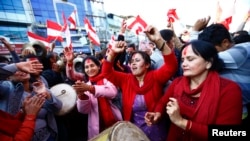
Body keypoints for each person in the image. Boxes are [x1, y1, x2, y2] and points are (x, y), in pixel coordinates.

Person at [145, 40, 242, 141]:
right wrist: (158, 114)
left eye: (190, 59)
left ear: (208, 63)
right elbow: (162, 102)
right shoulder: (178, 83)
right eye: (183, 60)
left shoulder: (229, 90)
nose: (184, 64)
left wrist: (182, 122)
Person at [101, 25, 178, 141]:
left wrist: (159, 41)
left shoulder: (156, 77)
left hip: (155, 128)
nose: (133, 64)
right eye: (131, 61)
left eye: (137, 60)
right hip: (134, 131)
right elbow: (106, 73)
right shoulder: (126, 79)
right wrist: (112, 53)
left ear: (147, 65)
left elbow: (171, 66)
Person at [195, 23, 250, 126]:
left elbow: (196, 57)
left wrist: (194, 31)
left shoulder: (241, 51)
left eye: (211, 51)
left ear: (225, 43)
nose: (208, 54)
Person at [72, 56, 122, 140]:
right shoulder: (85, 85)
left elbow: (112, 92)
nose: (89, 69)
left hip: (113, 120)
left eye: (92, 65)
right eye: (86, 67)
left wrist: (91, 88)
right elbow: (84, 110)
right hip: (97, 125)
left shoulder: (106, 79)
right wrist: (81, 95)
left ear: (99, 66)